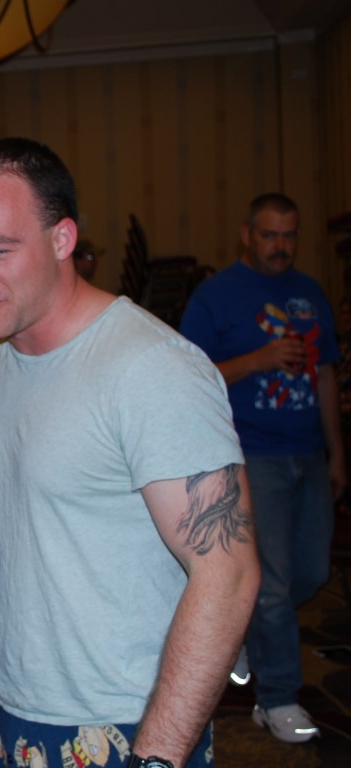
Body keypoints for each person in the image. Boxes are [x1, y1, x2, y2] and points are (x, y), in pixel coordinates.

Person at [0, 137, 260, 768]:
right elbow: (5, 532)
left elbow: (228, 574)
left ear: (63, 239)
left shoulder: (151, 369)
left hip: (134, 720)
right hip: (14, 708)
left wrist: (157, 755)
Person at [179, 192, 344, 743]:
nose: (281, 246)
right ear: (247, 235)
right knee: (270, 585)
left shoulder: (309, 293)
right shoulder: (216, 296)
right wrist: (259, 360)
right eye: (270, 235)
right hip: (251, 454)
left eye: (290, 235)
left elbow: (325, 375)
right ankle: (277, 699)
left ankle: (247, 629)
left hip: (308, 451)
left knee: (311, 573)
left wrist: (337, 452)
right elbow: (190, 376)